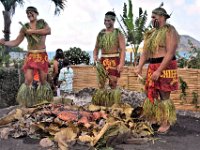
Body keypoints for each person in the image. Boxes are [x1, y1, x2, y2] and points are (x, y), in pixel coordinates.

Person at [135, 5, 179, 133]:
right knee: (151, 93)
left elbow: (170, 53)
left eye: (154, 17)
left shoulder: (170, 31)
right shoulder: (150, 34)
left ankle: (165, 122)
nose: (152, 19)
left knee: (164, 94)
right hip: (152, 65)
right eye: (151, 17)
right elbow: (144, 53)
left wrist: (159, 70)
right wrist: (139, 66)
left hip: (166, 65)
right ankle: (155, 117)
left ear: (162, 17)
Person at [0, 6, 53, 107]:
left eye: (31, 12)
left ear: (36, 13)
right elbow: (16, 42)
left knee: (43, 81)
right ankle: (26, 103)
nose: (29, 15)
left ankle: (43, 102)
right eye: (27, 13)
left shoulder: (42, 23)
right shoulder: (24, 27)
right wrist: (4, 43)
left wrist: (32, 32)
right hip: (31, 56)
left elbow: (48, 31)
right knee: (28, 80)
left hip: (42, 56)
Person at [93, 11, 126, 89]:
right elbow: (96, 48)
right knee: (101, 83)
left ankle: (113, 98)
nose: (106, 22)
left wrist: (121, 64)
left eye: (108, 20)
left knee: (113, 82)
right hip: (103, 59)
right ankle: (103, 99)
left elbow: (123, 49)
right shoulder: (101, 33)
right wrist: (95, 56)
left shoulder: (118, 33)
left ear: (113, 21)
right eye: (105, 20)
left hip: (114, 60)